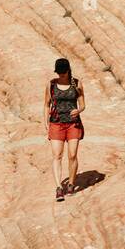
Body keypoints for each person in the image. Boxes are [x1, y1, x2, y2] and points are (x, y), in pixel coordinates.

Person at [44, 58, 84, 202]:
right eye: (58, 72)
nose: (60, 75)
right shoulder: (51, 84)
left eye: (63, 72)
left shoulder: (77, 83)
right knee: (57, 155)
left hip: (73, 124)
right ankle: (59, 188)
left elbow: (83, 104)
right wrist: (45, 122)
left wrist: (78, 110)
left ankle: (71, 184)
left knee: (72, 155)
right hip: (56, 123)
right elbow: (46, 104)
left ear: (68, 71)